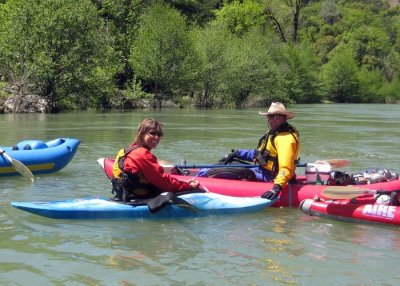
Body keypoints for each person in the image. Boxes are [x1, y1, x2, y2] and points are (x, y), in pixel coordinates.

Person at [198, 102, 300, 201]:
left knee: (230, 170)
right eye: (270, 117)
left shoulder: (285, 138)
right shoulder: (274, 133)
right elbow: (259, 154)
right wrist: (237, 153)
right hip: (262, 170)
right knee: (230, 162)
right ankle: (198, 173)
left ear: (284, 118)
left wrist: (276, 188)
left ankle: (197, 178)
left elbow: (286, 168)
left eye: (276, 117)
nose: (272, 120)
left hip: (272, 177)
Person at [111, 118, 200, 201]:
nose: (157, 137)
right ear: (142, 133)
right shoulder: (142, 154)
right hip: (138, 198)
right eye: (153, 133)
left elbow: (159, 177)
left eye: (159, 134)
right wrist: (188, 186)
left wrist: (182, 182)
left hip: (126, 195)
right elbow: (163, 181)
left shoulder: (128, 150)